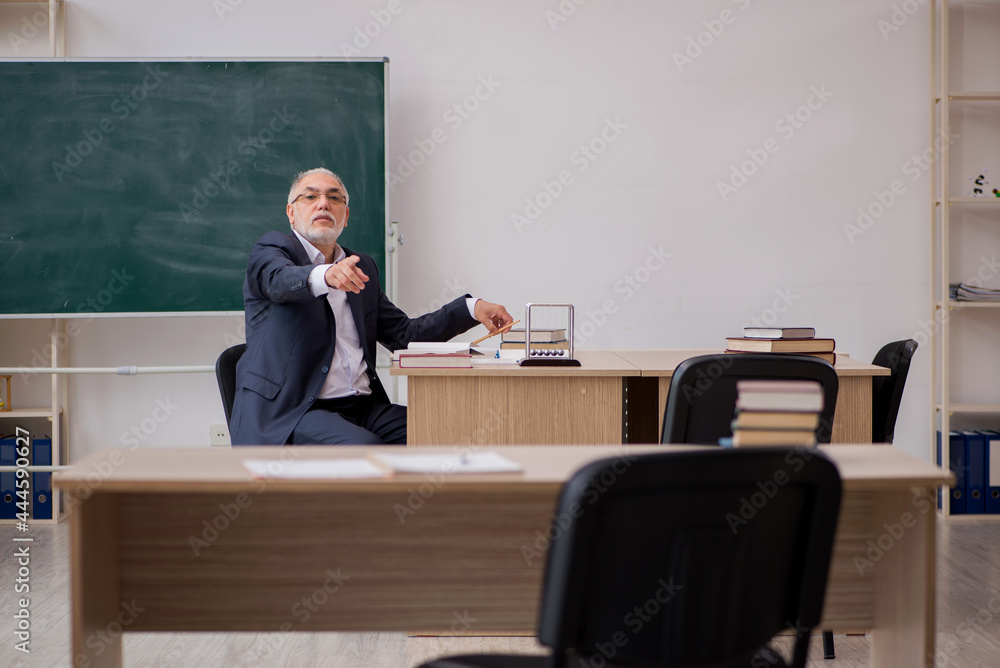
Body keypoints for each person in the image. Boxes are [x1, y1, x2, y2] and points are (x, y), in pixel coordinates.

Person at [230, 167, 513, 446]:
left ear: (346, 215)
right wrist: (325, 275)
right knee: (364, 449)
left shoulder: (360, 266)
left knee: (448, 430)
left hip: (362, 408)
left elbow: (404, 335)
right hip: (293, 412)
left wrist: (469, 309)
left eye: (335, 198)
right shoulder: (271, 250)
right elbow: (278, 281)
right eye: (310, 197)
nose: (324, 203)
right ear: (291, 212)